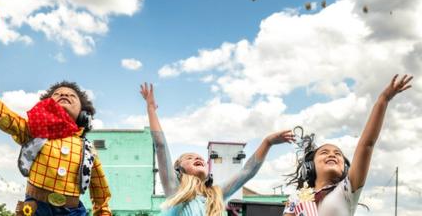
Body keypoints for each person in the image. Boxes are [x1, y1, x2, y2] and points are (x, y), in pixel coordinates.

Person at [0, 24, 112, 216]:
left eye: (72, 95)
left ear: (83, 114)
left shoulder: (88, 150)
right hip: (34, 210)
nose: (65, 94)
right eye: (58, 94)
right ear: (46, 106)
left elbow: (102, 202)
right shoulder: (33, 131)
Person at [140, 83, 295, 216]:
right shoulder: (175, 189)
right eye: (189, 157)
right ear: (178, 170)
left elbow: (247, 171)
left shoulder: (216, 193)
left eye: (199, 157)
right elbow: (160, 146)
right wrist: (151, 109)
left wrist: (267, 142)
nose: (197, 158)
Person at [284, 74, 413, 216]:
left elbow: (366, 145)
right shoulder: (297, 198)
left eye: (338, 154)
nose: (332, 154)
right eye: (324, 152)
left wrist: (383, 99)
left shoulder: (346, 190)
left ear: (345, 168)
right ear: (309, 166)